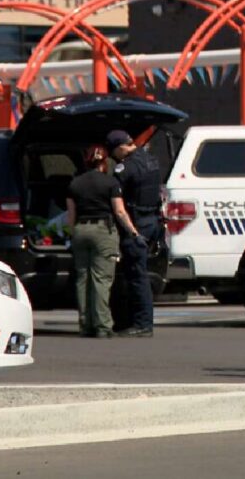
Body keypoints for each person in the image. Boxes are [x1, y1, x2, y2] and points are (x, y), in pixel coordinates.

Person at [66, 145, 139, 338]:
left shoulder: (75, 184)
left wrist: (73, 234)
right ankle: (102, 326)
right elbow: (120, 211)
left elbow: (70, 216)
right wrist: (132, 231)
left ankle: (85, 324)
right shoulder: (110, 183)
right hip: (102, 230)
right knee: (101, 279)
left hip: (81, 229)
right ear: (104, 162)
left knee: (83, 278)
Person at [106, 129, 163, 338]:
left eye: (114, 151)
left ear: (121, 147)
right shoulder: (151, 161)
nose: (114, 157)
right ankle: (140, 320)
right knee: (142, 273)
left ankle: (142, 323)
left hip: (137, 223)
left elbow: (119, 208)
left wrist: (132, 232)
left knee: (137, 276)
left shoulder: (125, 169)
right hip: (153, 221)